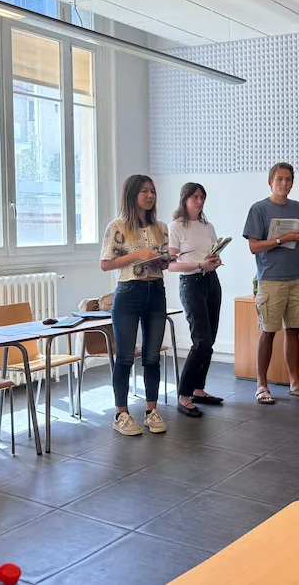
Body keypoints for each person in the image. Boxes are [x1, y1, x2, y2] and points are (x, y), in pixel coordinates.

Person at [99, 174, 170, 436]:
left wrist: (163, 261)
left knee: (152, 356)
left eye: (152, 191)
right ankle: (122, 414)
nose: (150, 196)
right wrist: (138, 255)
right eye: (144, 191)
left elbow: (166, 261)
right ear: (132, 195)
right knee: (126, 357)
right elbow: (105, 263)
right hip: (129, 292)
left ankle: (152, 410)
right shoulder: (117, 226)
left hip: (156, 291)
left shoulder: (161, 227)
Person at [243, 162, 299, 404]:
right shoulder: (259, 209)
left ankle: (295, 383)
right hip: (271, 279)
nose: (284, 183)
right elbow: (254, 246)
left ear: (292, 183)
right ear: (270, 182)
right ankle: (261, 385)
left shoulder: (298, 208)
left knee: (294, 330)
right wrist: (280, 239)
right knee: (268, 331)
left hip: (297, 277)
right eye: (280, 179)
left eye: (288, 179)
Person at [168, 183, 224, 418]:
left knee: (209, 339)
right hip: (191, 283)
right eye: (195, 197)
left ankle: (199, 389)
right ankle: (183, 394)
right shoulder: (175, 227)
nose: (199, 201)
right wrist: (199, 264)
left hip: (211, 280)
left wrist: (214, 259)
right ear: (185, 199)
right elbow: (171, 265)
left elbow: (211, 252)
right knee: (200, 340)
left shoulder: (207, 225)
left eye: (202, 197)